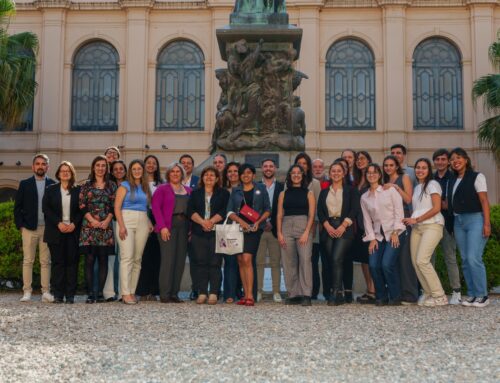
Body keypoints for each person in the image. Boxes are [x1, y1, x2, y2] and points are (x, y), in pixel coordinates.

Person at [447, 148, 491, 308]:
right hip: (459, 221)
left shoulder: (477, 176)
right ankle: (472, 294)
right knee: (465, 259)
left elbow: (484, 201)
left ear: (466, 160)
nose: (455, 161)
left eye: (458, 157)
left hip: (475, 220)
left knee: (474, 258)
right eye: (452, 159)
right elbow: (450, 203)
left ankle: (483, 295)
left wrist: (486, 223)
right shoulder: (452, 180)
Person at [402, 158, 448, 307]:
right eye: (418, 167)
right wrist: (413, 220)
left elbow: (436, 208)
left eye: (424, 168)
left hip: (432, 226)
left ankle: (440, 295)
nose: (420, 170)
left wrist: (417, 219)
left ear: (429, 170)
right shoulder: (417, 188)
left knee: (422, 260)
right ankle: (428, 293)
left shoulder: (433, 184)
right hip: (418, 228)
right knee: (416, 263)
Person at [361, 163, 406, 306]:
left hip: (395, 232)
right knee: (373, 264)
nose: (371, 175)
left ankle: (396, 296)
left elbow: (399, 211)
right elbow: (367, 220)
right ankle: (381, 296)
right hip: (377, 236)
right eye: (368, 172)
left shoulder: (390, 191)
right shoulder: (364, 197)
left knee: (387, 264)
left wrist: (395, 232)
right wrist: (372, 239)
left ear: (380, 175)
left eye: (374, 172)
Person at [227, 163, 271, 306]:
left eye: (248, 173)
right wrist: (240, 222)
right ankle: (245, 294)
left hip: (253, 229)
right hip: (238, 229)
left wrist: (258, 222)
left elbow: (267, 209)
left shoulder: (261, 189)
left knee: (247, 258)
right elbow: (230, 212)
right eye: (243, 173)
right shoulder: (236, 191)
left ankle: (250, 295)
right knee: (240, 260)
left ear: (253, 175)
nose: (246, 175)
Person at [14, 154, 55, 303]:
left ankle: (46, 292)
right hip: (29, 229)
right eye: (37, 164)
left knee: (45, 261)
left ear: (47, 167)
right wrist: (21, 226)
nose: (40, 166)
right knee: (28, 261)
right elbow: (17, 208)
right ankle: (27, 292)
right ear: (33, 167)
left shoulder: (53, 184)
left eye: (43, 164)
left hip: (47, 228)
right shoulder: (25, 184)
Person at [317, 162, 359, 305]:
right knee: (331, 261)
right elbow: (320, 211)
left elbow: (354, 209)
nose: (335, 173)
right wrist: (326, 225)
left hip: (344, 229)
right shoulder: (324, 192)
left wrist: (343, 225)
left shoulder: (350, 190)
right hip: (328, 228)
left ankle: (335, 292)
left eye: (338, 171)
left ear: (344, 173)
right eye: (333, 171)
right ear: (330, 174)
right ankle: (339, 292)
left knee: (336, 258)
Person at [188, 166, 229, 304]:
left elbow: (225, 211)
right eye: (206, 175)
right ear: (202, 178)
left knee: (215, 263)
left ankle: (214, 292)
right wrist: (202, 222)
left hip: (217, 232)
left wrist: (210, 222)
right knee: (200, 262)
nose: (209, 177)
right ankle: (202, 292)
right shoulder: (195, 193)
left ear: (217, 178)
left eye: (212, 175)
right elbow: (190, 211)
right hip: (198, 232)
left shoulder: (223, 193)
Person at [42, 161, 81, 304]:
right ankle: (58, 294)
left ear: (71, 174)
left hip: (72, 231)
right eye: (62, 171)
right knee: (58, 263)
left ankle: (70, 295)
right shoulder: (50, 189)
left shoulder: (78, 190)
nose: (65, 173)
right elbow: (46, 209)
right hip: (55, 230)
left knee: (72, 263)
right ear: (58, 174)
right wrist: (58, 223)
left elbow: (81, 210)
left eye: (68, 171)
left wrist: (74, 224)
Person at [79, 155, 117, 303]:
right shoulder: (86, 185)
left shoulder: (112, 185)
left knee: (103, 260)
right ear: (93, 167)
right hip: (89, 227)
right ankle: (90, 293)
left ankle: (99, 293)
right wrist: (92, 220)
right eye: (98, 165)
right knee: (89, 260)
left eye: (103, 165)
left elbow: (114, 205)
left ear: (106, 168)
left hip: (105, 227)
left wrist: (107, 220)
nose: (100, 168)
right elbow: (82, 205)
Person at [152, 163, 192, 303]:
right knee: (168, 261)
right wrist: (162, 227)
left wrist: (191, 230)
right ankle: (165, 294)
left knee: (180, 261)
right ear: (168, 174)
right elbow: (156, 208)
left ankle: (175, 293)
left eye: (178, 171)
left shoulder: (188, 190)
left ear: (182, 174)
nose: (175, 174)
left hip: (185, 227)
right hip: (168, 227)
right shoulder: (162, 189)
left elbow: (192, 212)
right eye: (172, 171)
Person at [277, 164, 315, 306]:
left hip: (303, 225)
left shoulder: (309, 193)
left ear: (303, 175)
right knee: (288, 262)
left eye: (299, 173)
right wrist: (280, 233)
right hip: (286, 226)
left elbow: (312, 214)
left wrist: (306, 232)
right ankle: (293, 294)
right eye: (293, 173)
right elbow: (280, 215)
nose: (296, 175)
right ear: (290, 176)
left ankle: (306, 294)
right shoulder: (283, 194)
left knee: (305, 260)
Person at [115, 160, 152, 305]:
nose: (137, 171)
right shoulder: (124, 186)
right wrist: (122, 226)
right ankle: (124, 293)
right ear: (130, 171)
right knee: (127, 257)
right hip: (126, 220)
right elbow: (117, 207)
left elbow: (145, 207)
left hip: (142, 220)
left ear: (142, 171)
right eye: (134, 169)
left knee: (137, 259)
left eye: (139, 169)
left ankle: (131, 291)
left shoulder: (145, 187)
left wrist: (148, 221)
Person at [382, 154, 417, 304]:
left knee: (404, 258)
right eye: (386, 165)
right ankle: (397, 293)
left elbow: (409, 199)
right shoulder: (384, 182)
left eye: (391, 165)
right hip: (389, 223)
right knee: (393, 260)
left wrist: (396, 187)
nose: (388, 168)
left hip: (403, 220)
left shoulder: (404, 178)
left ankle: (410, 294)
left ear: (397, 166)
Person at [432, 149, 462, 304]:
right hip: (431, 223)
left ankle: (456, 291)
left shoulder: (454, 177)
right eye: (437, 159)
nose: (440, 162)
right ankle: (431, 291)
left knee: (450, 258)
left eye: (443, 159)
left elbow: (454, 202)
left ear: (448, 161)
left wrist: (445, 205)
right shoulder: (430, 178)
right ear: (434, 161)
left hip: (448, 223)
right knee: (430, 258)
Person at [293, 153, 323, 299]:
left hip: (311, 229)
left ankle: (312, 291)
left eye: (305, 163)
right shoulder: (291, 182)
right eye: (299, 163)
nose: (302, 166)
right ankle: (298, 290)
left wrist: (312, 229)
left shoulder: (315, 183)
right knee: (298, 260)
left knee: (310, 260)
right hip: (294, 228)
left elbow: (317, 207)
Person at [256, 158, 284, 303]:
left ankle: (276, 291)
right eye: (265, 166)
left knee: (275, 262)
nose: (268, 168)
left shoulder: (282, 186)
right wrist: (261, 222)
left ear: (275, 168)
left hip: (275, 229)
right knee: (259, 261)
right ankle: (259, 291)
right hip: (259, 229)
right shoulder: (256, 186)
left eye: (271, 166)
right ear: (261, 168)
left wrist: (273, 223)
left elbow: (283, 208)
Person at [135, 155, 163, 302]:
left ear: (157, 166)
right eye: (148, 163)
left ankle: (153, 290)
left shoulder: (162, 184)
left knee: (156, 256)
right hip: (142, 217)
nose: (151, 165)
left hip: (158, 219)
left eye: (154, 163)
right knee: (143, 255)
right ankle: (142, 290)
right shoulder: (138, 183)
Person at [351, 151, 376, 304]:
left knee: (371, 259)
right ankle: (369, 289)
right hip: (359, 226)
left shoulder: (372, 179)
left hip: (371, 225)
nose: (359, 161)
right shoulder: (356, 180)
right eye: (357, 159)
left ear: (368, 160)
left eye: (362, 158)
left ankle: (375, 290)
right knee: (363, 260)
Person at [103, 160, 127, 301]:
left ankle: (122, 291)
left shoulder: (130, 185)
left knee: (124, 257)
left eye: (121, 168)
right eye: (115, 169)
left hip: (126, 222)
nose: (118, 171)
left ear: (125, 170)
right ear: (112, 171)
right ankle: (109, 292)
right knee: (111, 257)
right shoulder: (109, 186)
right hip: (112, 222)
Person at [180, 153, 200, 301]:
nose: (186, 165)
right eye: (183, 163)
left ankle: (196, 289)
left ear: (193, 166)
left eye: (189, 163)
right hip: (177, 225)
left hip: (194, 225)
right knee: (177, 259)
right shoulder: (174, 180)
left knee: (195, 259)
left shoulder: (198, 182)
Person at [222, 161, 242, 303]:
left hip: (243, 228)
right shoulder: (222, 190)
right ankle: (229, 293)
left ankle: (240, 291)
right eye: (230, 171)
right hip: (227, 229)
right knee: (229, 261)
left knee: (242, 260)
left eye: (235, 171)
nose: (233, 174)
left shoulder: (245, 188)